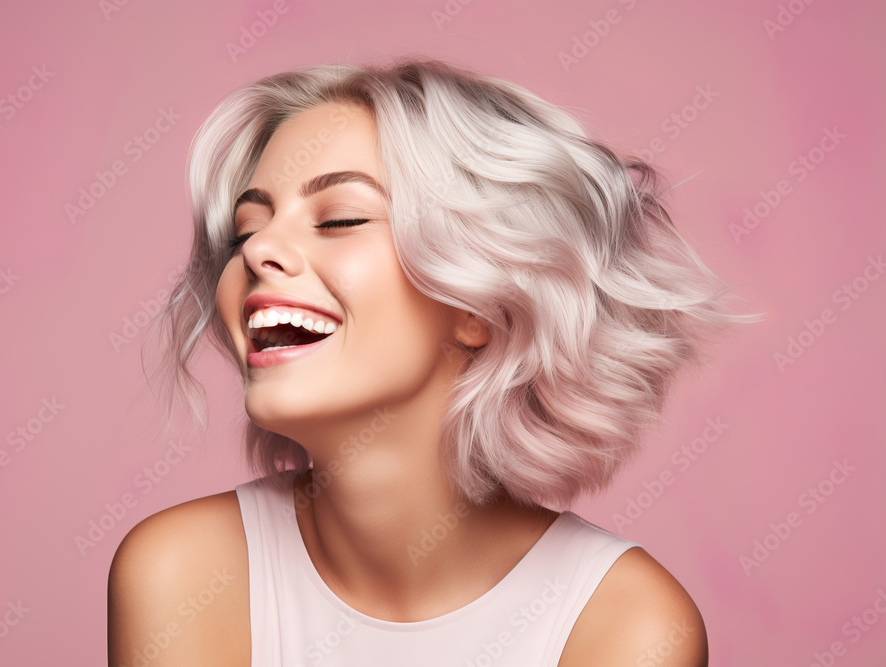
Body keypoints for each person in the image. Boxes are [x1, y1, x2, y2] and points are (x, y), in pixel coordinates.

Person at [108, 55, 760, 666]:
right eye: (246, 230)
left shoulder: (627, 625)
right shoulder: (180, 573)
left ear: (477, 304)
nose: (257, 252)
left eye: (338, 219)